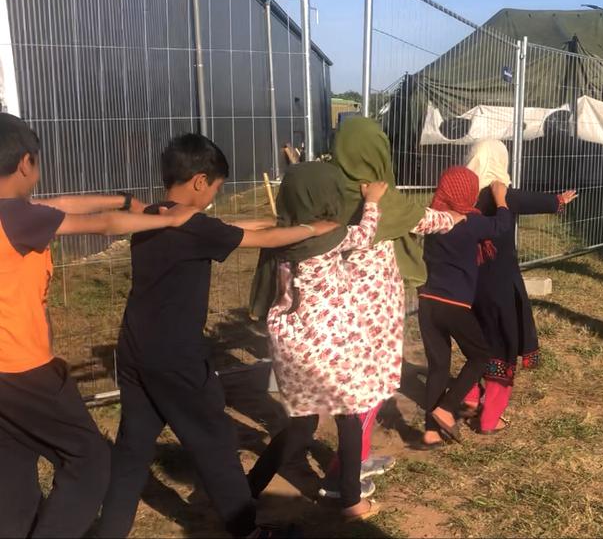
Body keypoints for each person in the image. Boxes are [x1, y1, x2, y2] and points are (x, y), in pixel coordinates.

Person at [96, 135, 339, 538]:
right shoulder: (194, 225)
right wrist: (315, 227)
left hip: (136, 350)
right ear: (199, 181)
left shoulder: (154, 215)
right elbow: (258, 240)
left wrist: (272, 222)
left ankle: (110, 530)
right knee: (215, 441)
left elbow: (223, 227)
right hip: (177, 358)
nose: (214, 197)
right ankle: (248, 530)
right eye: (215, 189)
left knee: (133, 448)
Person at [0, 113, 198, 538]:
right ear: (25, 164)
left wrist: (121, 199)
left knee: (13, 464)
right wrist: (169, 220)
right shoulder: (16, 217)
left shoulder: (16, 214)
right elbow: (99, 226)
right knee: (89, 459)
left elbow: (60, 205)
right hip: (21, 370)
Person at [317, 117, 460, 497]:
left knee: (358, 388)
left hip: (335, 308)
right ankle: (340, 475)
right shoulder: (379, 197)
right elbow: (426, 220)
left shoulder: (326, 190)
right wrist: (456, 217)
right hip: (374, 314)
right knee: (370, 389)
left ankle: (356, 458)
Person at [246, 162, 388, 522]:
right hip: (328, 346)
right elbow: (366, 233)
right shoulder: (331, 235)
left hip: (290, 344)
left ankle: (248, 487)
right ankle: (352, 501)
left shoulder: (281, 238)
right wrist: (371, 200)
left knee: (302, 424)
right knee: (349, 417)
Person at [460, 139, 577, 434]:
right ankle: (489, 418)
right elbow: (538, 201)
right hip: (500, 285)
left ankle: (470, 396)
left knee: (476, 341)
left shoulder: (462, 196)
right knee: (503, 344)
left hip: (468, 284)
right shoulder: (503, 195)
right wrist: (559, 201)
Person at [418, 166, 511, 448]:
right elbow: (502, 226)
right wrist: (500, 198)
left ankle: (431, 432)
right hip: (454, 304)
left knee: (438, 366)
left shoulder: (434, 219)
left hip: (427, 302)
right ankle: (447, 407)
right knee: (480, 357)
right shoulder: (468, 222)